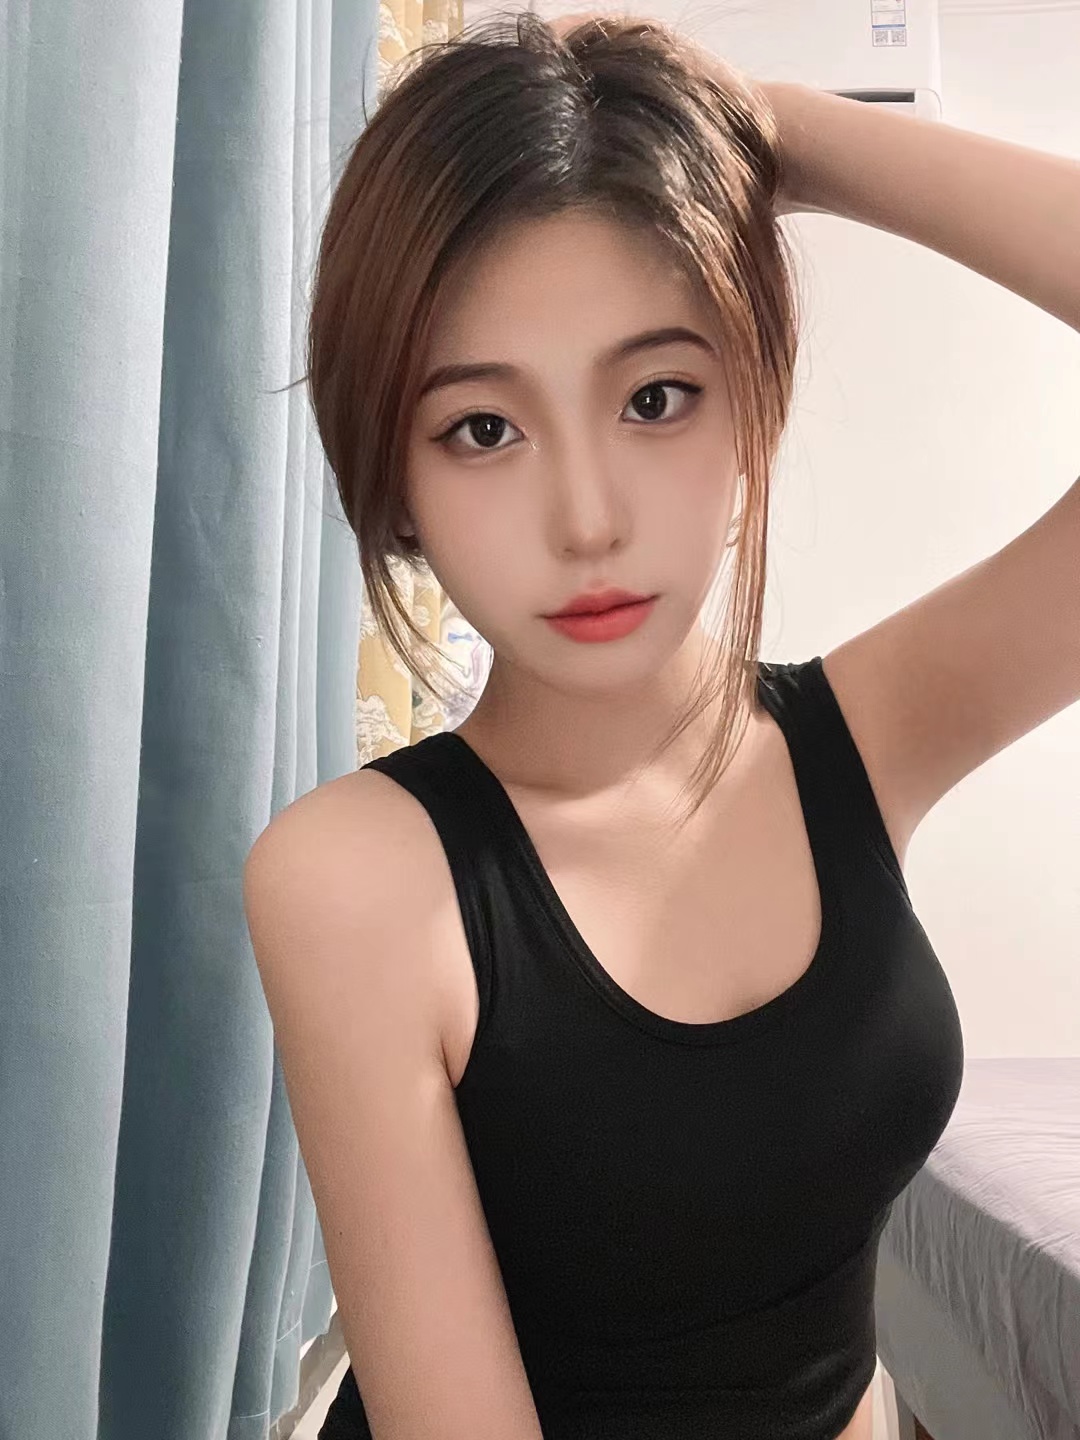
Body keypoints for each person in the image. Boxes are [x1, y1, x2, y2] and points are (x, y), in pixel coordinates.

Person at [243, 10, 1080, 1439]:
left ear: (752, 405)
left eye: (656, 397)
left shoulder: (867, 737)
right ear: (396, 481)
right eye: (484, 429)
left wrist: (783, 132)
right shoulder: (357, 878)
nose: (588, 520)